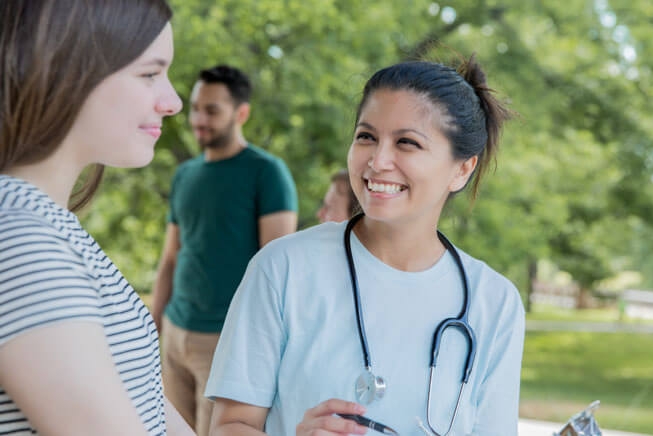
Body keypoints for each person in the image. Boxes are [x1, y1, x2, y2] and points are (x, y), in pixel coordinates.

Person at [206, 56, 525, 435]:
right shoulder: (282, 268)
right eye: (366, 137)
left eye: (406, 143)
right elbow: (228, 426)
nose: (377, 160)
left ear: (462, 169)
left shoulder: (496, 304)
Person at [0, 1, 194, 435]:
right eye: (149, 74)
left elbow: (147, 409)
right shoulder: (20, 239)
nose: (173, 102)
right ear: (66, 68)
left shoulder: (44, 226)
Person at [149, 65, 298, 436]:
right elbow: (171, 258)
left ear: (241, 113)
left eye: (212, 110)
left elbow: (278, 269)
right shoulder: (185, 175)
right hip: (175, 334)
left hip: (226, 342)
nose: (199, 118)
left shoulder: (267, 172)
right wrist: (155, 323)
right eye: (196, 107)